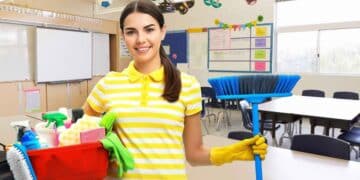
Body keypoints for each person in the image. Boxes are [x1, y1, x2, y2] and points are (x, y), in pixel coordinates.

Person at [83, 0, 267, 179]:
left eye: (149, 29)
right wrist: (108, 155)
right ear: (123, 36)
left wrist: (232, 153)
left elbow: (194, 155)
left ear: (162, 32)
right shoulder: (108, 84)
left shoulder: (186, 85)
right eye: (131, 32)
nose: (141, 39)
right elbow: (79, 136)